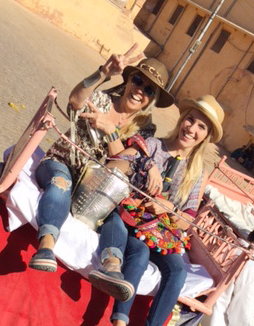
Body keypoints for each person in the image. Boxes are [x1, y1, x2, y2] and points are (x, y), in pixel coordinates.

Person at [89, 95, 225, 326]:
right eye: (191, 120)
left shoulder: (196, 171)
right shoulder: (153, 145)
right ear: (181, 119)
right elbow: (122, 159)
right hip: (134, 219)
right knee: (137, 253)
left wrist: (171, 210)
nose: (192, 129)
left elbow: (189, 217)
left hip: (163, 229)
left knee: (177, 271)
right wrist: (149, 165)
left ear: (206, 136)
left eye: (201, 127)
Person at [28, 45, 174, 272]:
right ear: (128, 81)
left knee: (116, 223)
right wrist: (103, 73)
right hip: (63, 163)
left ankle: (111, 270)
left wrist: (110, 130)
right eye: (137, 81)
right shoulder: (102, 100)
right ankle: (46, 247)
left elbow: (127, 162)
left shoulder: (145, 129)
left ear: (151, 100)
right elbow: (76, 101)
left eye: (149, 90)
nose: (140, 91)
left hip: (93, 188)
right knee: (61, 184)